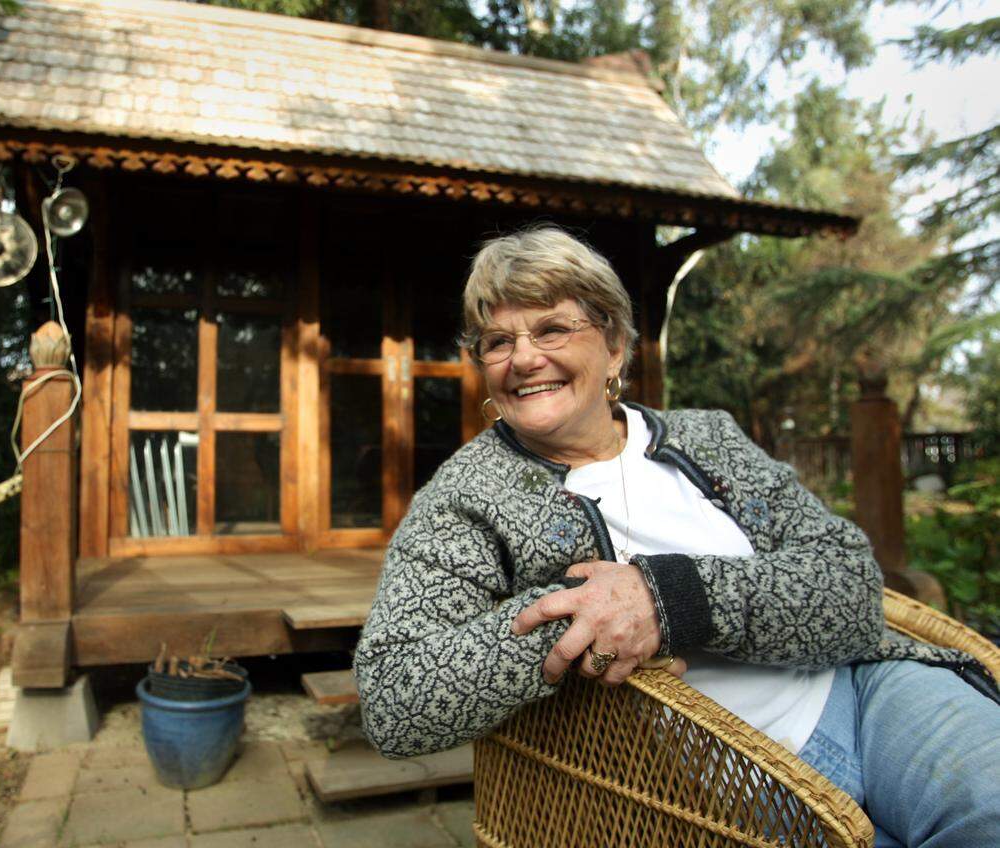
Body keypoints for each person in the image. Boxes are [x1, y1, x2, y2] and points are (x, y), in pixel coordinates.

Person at [353, 225, 1000, 847]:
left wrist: (669, 597)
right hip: (727, 777)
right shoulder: (469, 496)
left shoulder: (705, 438)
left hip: (869, 688)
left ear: (613, 347)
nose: (524, 358)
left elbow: (851, 587)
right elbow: (392, 696)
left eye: (553, 328)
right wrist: (575, 622)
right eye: (498, 343)